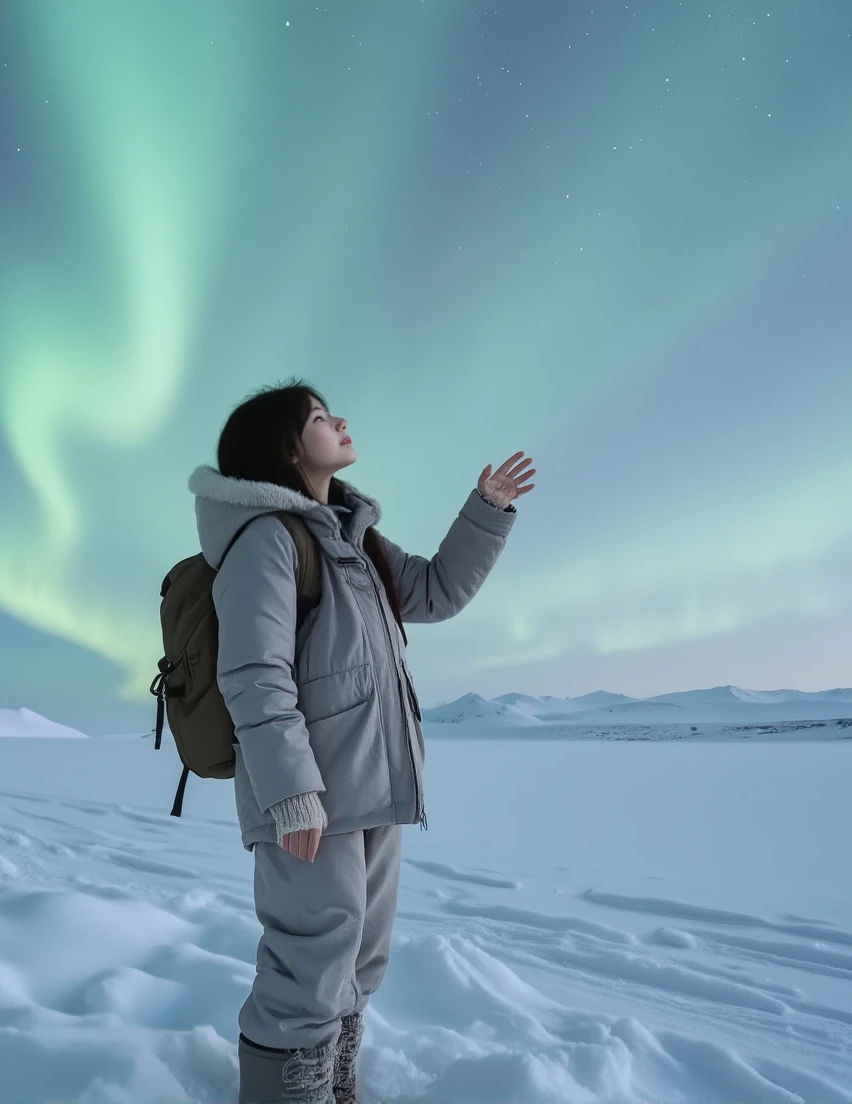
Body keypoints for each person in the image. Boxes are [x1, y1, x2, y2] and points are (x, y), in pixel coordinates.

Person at [188, 380, 535, 1104]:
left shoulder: (355, 539)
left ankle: (331, 1087)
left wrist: (487, 512)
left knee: (359, 961)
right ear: (287, 448)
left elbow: (435, 591)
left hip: (371, 785)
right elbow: (254, 672)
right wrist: (291, 792)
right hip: (308, 800)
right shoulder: (267, 541)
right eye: (319, 418)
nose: (339, 420)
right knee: (308, 965)